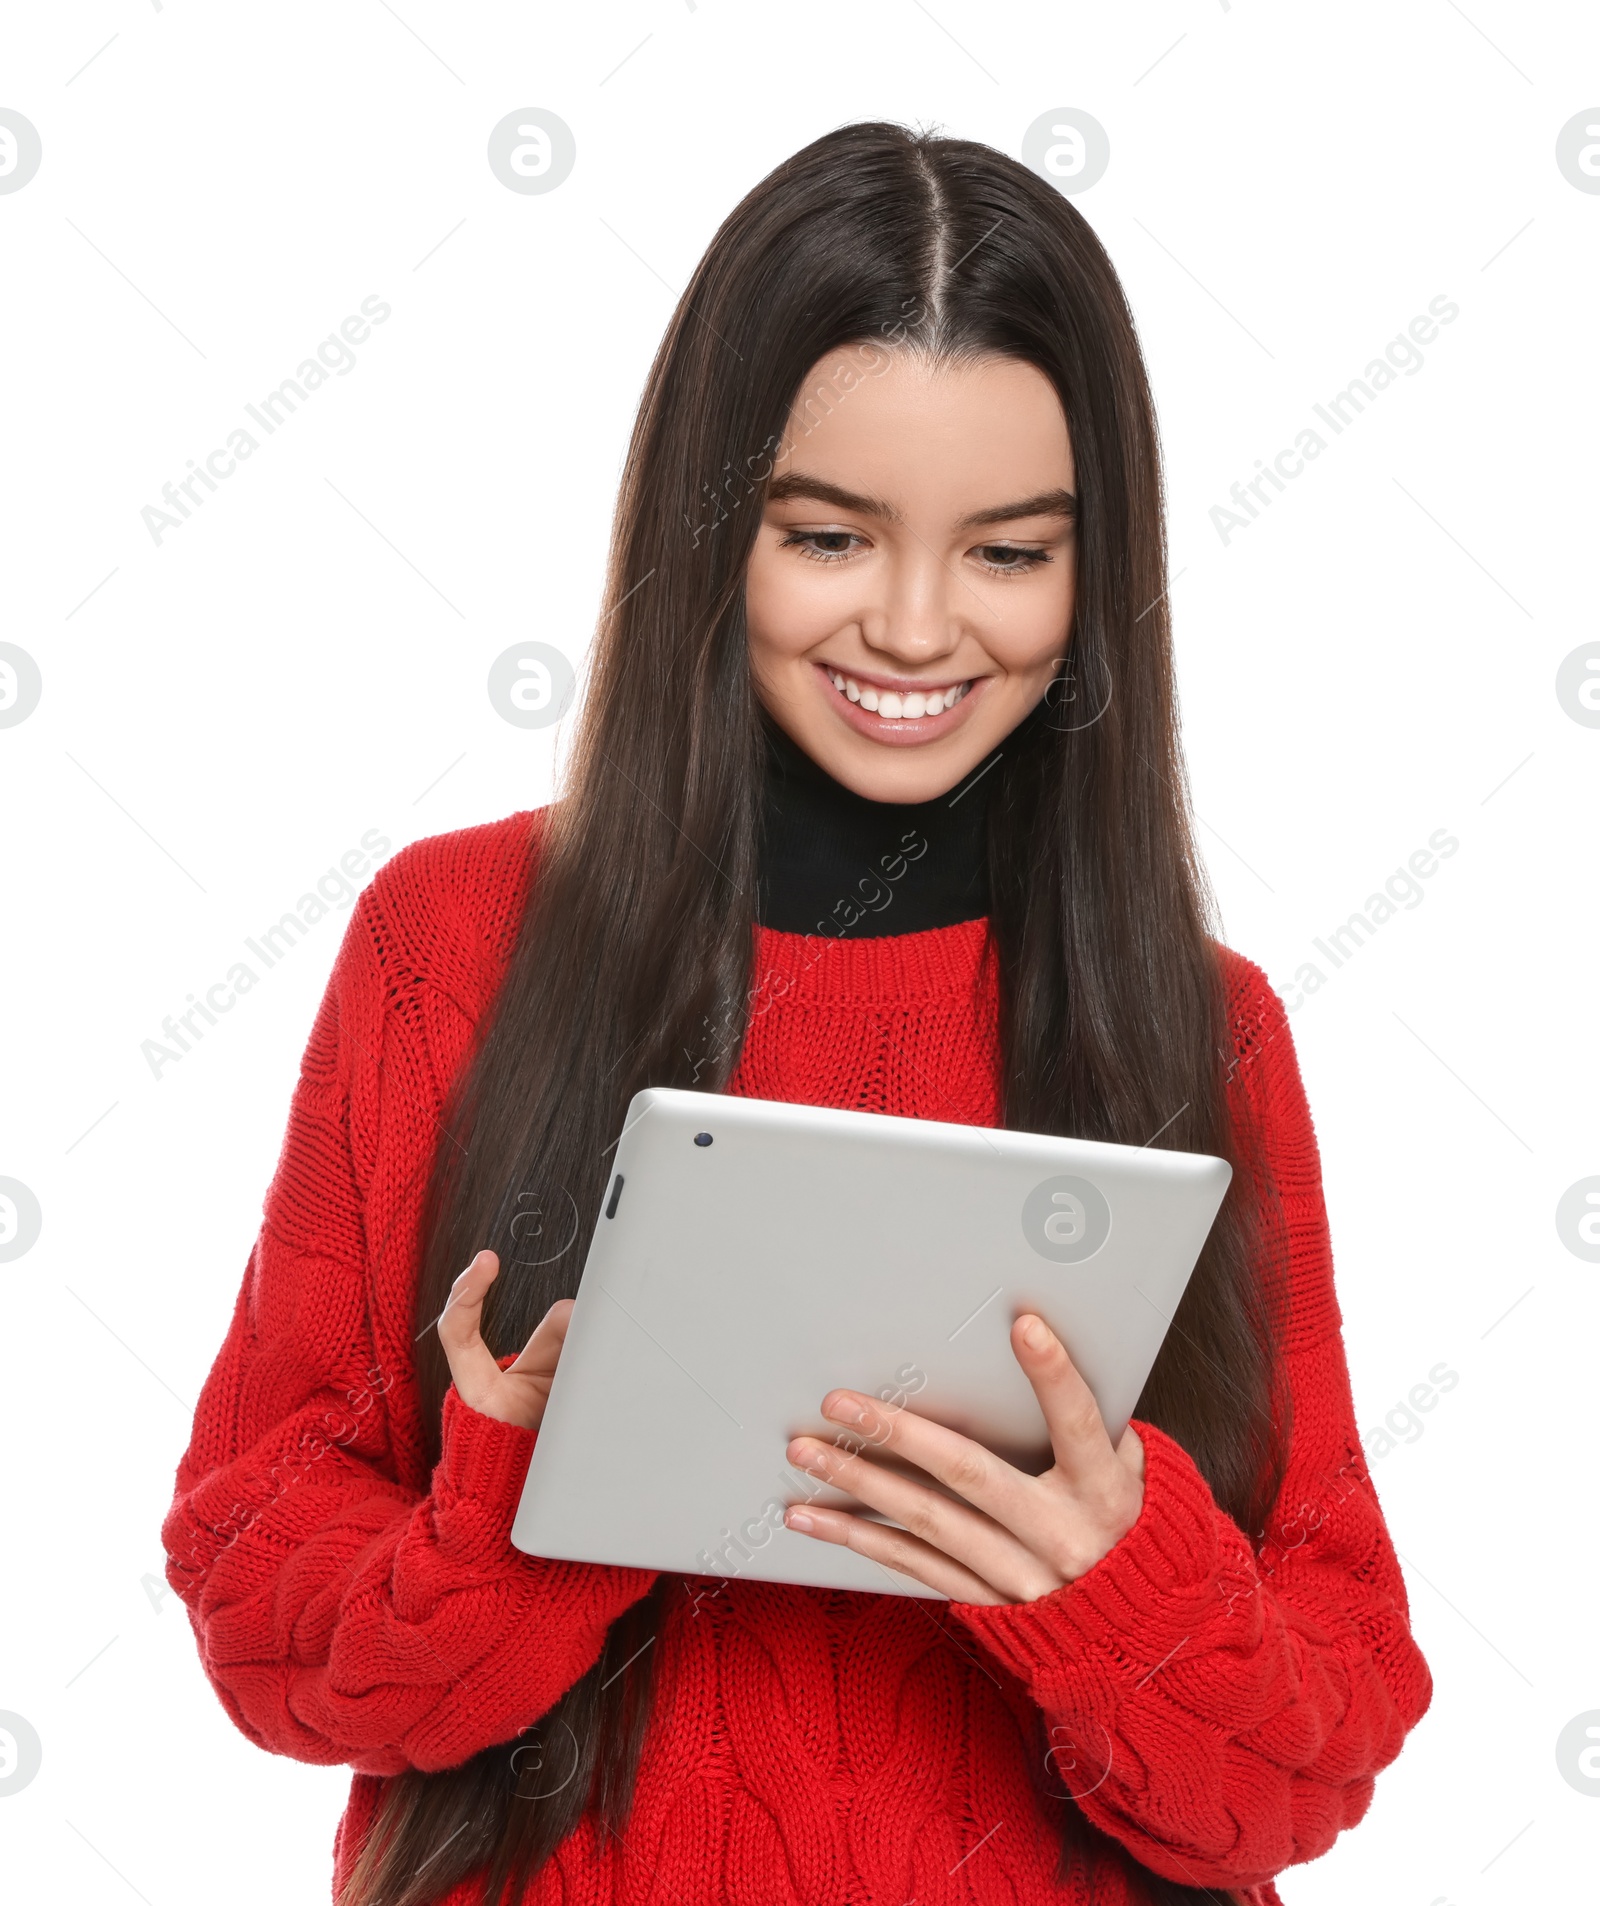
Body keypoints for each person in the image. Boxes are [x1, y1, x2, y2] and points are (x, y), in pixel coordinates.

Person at [161, 121, 1432, 1906]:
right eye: (829, 534)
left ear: (1097, 575)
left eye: (1009, 555)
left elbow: (1313, 1761)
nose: (916, 626)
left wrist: (1109, 1589)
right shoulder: (451, 941)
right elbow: (258, 1614)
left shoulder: (1199, 1027)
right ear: (711, 527)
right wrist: (526, 1510)